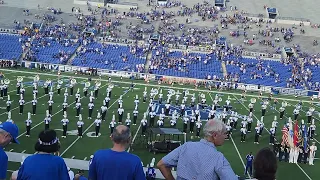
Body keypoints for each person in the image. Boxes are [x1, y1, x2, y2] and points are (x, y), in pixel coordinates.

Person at [157, 119, 238, 180]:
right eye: (224, 133)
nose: (226, 136)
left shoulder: (187, 146)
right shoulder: (218, 158)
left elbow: (161, 164)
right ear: (215, 135)